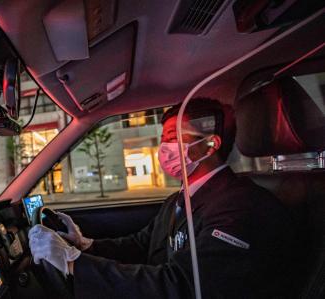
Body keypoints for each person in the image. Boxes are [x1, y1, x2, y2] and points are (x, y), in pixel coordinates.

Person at [28, 98, 294, 298]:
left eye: (173, 139)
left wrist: (74, 264)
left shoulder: (239, 206)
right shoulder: (178, 200)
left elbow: (181, 285)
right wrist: (86, 245)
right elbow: (143, 246)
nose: (163, 150)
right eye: (163, 139)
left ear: (211, 144)